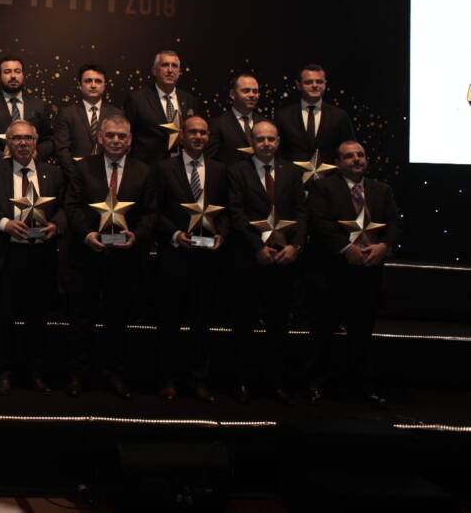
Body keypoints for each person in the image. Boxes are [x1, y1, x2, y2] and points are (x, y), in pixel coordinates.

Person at [64, 113, 157, 399]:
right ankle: (78, 375)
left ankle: (114, 374)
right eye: (110, 135)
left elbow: (151, 212)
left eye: (121, 136)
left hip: (126, 258)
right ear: (100, 138)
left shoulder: (145, 171)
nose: (116, 140)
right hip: (87, 255)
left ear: (130, 140)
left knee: (117, 319)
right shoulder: (82, 167)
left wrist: (136, 235)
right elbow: (72, 206)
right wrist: (86, 234)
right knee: (82, 319)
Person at [306, 140, 402, 405]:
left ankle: (361, 385)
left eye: (361, 155)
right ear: (338, 163)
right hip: (332, 275)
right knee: (323, 334)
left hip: (369, 274)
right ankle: (316, 384)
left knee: (361, 335)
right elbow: (319, 222)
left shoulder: (382, 190)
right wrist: (346, 248)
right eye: (349, 156)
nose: (357, 159)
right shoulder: (323, 188)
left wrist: (384, 246)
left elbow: (395, 224)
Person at [0, 120, 65, 395]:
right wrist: (5, 224)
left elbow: (65, 207)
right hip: (6, 255)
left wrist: (56, 225)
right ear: (8, 142)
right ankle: (3, 372)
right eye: (17, 138)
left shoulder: (54, 173)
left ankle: (35, 372)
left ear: (36, 142)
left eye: (28, 138)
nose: (23, 143)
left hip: (40, 256)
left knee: (37, 318)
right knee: (2, 317)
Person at [226, 120, 308, 405]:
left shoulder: (293, 172)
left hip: (284, 260)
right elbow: (236, 214)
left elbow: (302, 213)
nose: (266, 144)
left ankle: (275, 383)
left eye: (271, 139)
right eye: (260, 139)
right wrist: (257, 248)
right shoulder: (237, 171)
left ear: (278, 141)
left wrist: (296, 246)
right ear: (252, 141)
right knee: (243, 325)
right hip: (249, 261)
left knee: (278, 326)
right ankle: (240, 382)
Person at [154, 115, 228, 402]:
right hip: (174, 256)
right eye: (193, 132)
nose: (198, 137)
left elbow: (227, 212)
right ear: (182, 136)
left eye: (203, 132)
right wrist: (174, 234)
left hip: (208, 259)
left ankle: (198, 379)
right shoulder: (163, 169)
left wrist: (221, 234)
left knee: (202, 322)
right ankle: (167, 379)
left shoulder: (220, 170)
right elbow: (154, 210)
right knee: (168, 322)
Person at [0, 56, 54, 165]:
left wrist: (37, 153)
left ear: (23, 75)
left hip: (32, 167)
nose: (13, 76)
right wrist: (1, 157)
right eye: (7, 72)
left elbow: (49, 139)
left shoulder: (39, 105)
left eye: (17, 71)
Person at [123, 50, 200, 164]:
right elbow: (126, 137)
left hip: (181, 167)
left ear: (179, 72)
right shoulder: (136, 99)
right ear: (154, 71)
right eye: (165, 65)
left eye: (174, 66)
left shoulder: (190, 100)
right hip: (147, 167)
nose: (170, 70)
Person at [274, 63, 355, 164]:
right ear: (298, 85)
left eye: (319, 82)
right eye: (308, 82)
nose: (315, 85)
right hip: (292, 173)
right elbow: (276, 150)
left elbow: (350, 149)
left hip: (330, 173)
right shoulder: (283, 116)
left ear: (325, 84)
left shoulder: (339, 116)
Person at [53, 64, 113, 181]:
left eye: (98, 81)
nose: (93, 85)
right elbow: (61, 150)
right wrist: (77, 176)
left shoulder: (116, 114)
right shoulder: (66, 113)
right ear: (80, 85)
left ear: (105, 86)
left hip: (109, 177)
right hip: (74, 178)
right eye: (88, 81)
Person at [207, 72, 261, 168]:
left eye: (255, 91)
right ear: (232, 94)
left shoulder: (266, 123)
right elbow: (209, 161)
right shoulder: (218, 124)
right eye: (246, 91)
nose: (252, 95)